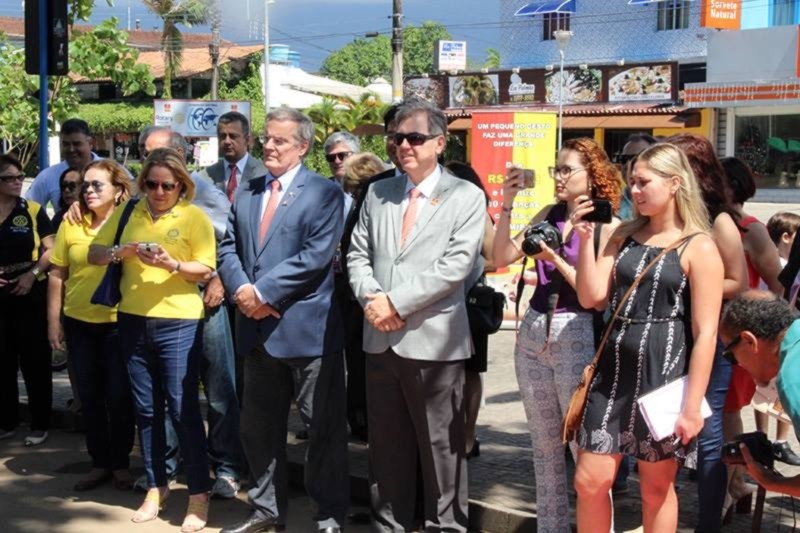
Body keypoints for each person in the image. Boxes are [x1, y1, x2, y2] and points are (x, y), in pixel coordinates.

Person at [347, 99, 486, 532]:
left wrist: (395, 303)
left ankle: (447, 527)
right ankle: (389, 526)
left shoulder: (465, 196)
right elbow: (357, 254)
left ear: (439, 143)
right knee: (386, 452)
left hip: (434, 342)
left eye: (415, 137)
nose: (404, 145)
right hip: (380, 339)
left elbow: (456, 266)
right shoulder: (378, 192)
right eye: (397, 138)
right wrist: (373, 300)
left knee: (442, 453)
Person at [572, 143, 723, 532]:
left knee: (656, 489)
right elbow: (592, 297)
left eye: (643, 182)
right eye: (632, 182)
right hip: (612, 373)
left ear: (675, 183)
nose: (634, 191)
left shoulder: (698, 245)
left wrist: (692, 406)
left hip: (664, 376)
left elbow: (706, 333)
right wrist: (585, 239)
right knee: (589, 482)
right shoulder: (622, 233)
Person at [217, 107, 348, 533]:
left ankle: (328, 516)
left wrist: (261, 293)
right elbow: (228, 247)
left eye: (279, 140)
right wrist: (242, 290)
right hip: (256, 331)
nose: (269, 146)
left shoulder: (324, 193)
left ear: (303, 146)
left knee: (322, 429)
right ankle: (266, 512)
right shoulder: (249, 189)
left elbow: (315, 257)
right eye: (266, 138)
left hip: (307, 332)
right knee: (258, 429)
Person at [492, 138, 621, 531]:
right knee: (544, 449)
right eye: (556, 169)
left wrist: (554, 258)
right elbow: (500, 257)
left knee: (586, 451)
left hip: (578, 332)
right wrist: (508, 203)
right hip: (534, 331)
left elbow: (595, 297)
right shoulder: (549, 213)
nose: (559, 177)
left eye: (567, 170)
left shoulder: (608, 226)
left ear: (592, 175)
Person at [88, 148, 215, 532]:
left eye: (168, 186)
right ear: (143, 183)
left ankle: (198, 493)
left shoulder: (194, 217)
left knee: (182, 409)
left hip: (178, 322)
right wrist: (121, 251)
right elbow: (94, 253)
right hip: (132, 320)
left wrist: (171, 264)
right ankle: (156, 487)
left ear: (181, 186)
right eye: (152, 184)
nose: (159, 192)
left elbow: (205, 269)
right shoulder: (130, 212)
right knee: (146, 409)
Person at [134, 126, 244, 499]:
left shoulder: (205, 193)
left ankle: (227, 468)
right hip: (156, 309)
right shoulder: (140, 197)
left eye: (157, 152)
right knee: (167, 393)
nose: (149, 159)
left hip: (204, 300)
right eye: (144, 152)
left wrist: (219, 282)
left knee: (218, 387)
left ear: (180, 155)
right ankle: (164, 470)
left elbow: (230, 244)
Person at [667, 133, 748, 533]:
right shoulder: (667, 218)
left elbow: (739, 281)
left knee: (709, 432)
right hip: (667, 336)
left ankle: (708, 522)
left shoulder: (720, 221)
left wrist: (696, 280)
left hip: (709, 338)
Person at [47, 159, 136, 491]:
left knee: (119, 396)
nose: (88, 190)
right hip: (78, 323)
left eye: (97, 185)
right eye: (85, 185)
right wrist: (53, 322)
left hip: (118, 323)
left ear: (118, 189)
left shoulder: (132, 221)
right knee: (89, 396)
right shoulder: (72, 222)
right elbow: (57, 273)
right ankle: (100, 462)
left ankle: (121, 463)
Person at [721, 158, 799, 466]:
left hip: (746, 329)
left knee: (730, 408)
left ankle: (734, 482)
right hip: (733, 331)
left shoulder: (752, 229)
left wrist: (756, 320)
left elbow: (779, 287)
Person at [719, 291, 800, 497]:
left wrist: (771, 481)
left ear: (749, 341)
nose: (737, 365)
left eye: (730, 356)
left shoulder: (791, 380)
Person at [0, 154, 54, 447]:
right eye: (8, 178)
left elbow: (51, 250)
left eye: (20, 177)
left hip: (29, 291)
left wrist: (32, 275)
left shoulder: (32, 210)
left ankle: (40, 422)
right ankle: (6, 421)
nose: (17, 182)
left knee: (35, 360)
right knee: (3, 360)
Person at [445, 161, 497, 460]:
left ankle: (467, 434)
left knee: (470, 371)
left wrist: (461, 265)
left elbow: (494, 258)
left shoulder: (479, 212)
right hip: (439, 303)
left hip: (469, 301)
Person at [334, 151, 386, 443]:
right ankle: (359, 419)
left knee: (365, 365)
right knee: (355, 364)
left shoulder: (375, 206)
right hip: (354, 298)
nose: (353, 196)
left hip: (371, 300)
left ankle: (365, 420)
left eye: (355, 190)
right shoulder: (360, 205)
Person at [26, 119, 102, 209]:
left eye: (77, 144)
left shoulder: (110, 171)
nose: (71, 149)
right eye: (66, 144)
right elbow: (29, 207)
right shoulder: (48, 176)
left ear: (90, 143)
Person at [197, 111, 268, 202]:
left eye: (233, 136)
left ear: (247, 140)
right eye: (222, 136)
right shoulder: (205, 176)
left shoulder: (264, 173)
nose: (227, 141)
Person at [614, 133, 657, 221]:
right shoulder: (612, 204)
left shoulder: (660, 205)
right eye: (624, 158)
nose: (629, 164)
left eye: (636, 158)